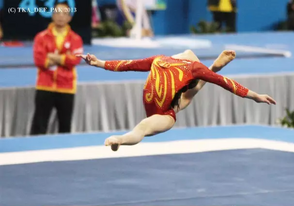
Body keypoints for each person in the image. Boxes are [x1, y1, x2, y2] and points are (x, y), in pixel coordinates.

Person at [78, 50, 276, 151]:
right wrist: (99, 63)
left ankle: (120, 139)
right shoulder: (166, 61)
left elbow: (127, 65)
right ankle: (214, 66)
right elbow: (127, 65)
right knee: (189, 95)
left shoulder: (164, 60)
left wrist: (254, 95)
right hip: (170, 101)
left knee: (144, 126)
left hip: (164, 114)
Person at [31, 2, 83, 135]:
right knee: (39, 126)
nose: (61, 16)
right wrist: (64, 58)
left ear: (69, 18)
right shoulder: (41, 37)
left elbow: (75, 60)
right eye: (58, 12)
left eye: (64, 13)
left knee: (65, 127)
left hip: (66, 86)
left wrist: (53, 57)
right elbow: (40, 61)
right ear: (52, 15)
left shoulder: (76, 39)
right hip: (45, 86)